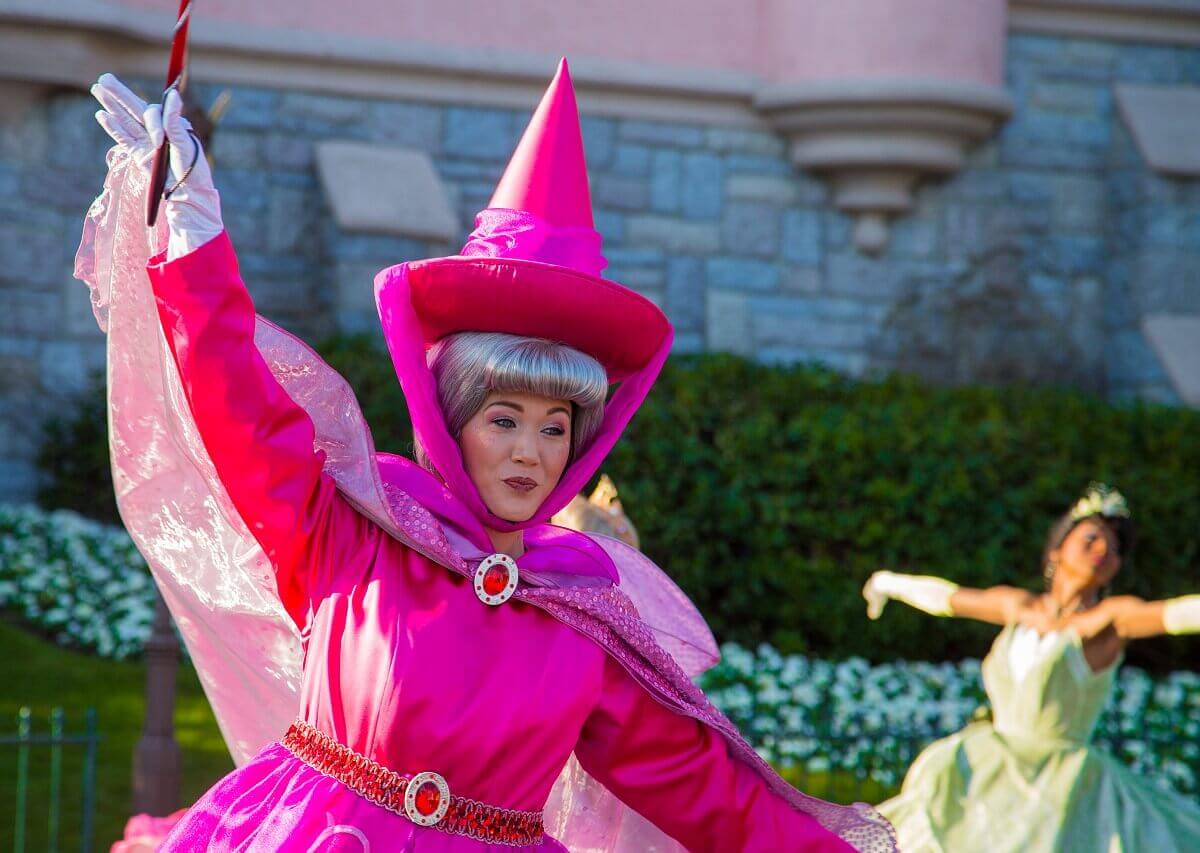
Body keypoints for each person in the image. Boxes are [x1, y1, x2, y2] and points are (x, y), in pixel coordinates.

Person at [84, 60, 894, 851]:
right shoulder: (352, 532)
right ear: (450, 418)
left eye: (556, 427)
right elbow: (240, 406)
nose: (531, 453)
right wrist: (192, 240)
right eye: (504, 418)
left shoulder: (583, 619)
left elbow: (708, 791)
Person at [862, 484, 1200, 852]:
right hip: (989, 771)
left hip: (1062, 787)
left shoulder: (1108, 620)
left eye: (1115, 549)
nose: (1104, 550)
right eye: (1091, 538)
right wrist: (889, 583)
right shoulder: (1019, 607)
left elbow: (1176, 614)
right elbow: (949, 598)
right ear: (1058, 548)